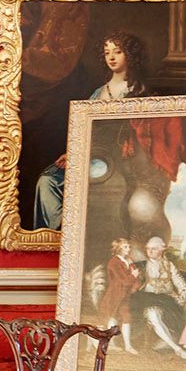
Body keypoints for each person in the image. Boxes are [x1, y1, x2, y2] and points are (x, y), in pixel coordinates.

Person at [31, 32, 151, 231]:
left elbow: (137, 132)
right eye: (107, 53)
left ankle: (80, 234)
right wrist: (72, 153)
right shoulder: (98, 92)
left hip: (117, 156)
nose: (111, 57)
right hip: (89, 153)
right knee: (48, 180)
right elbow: (84, 128)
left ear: (129, 55)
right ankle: (63, 231)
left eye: (118, 52)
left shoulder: (138, 91)